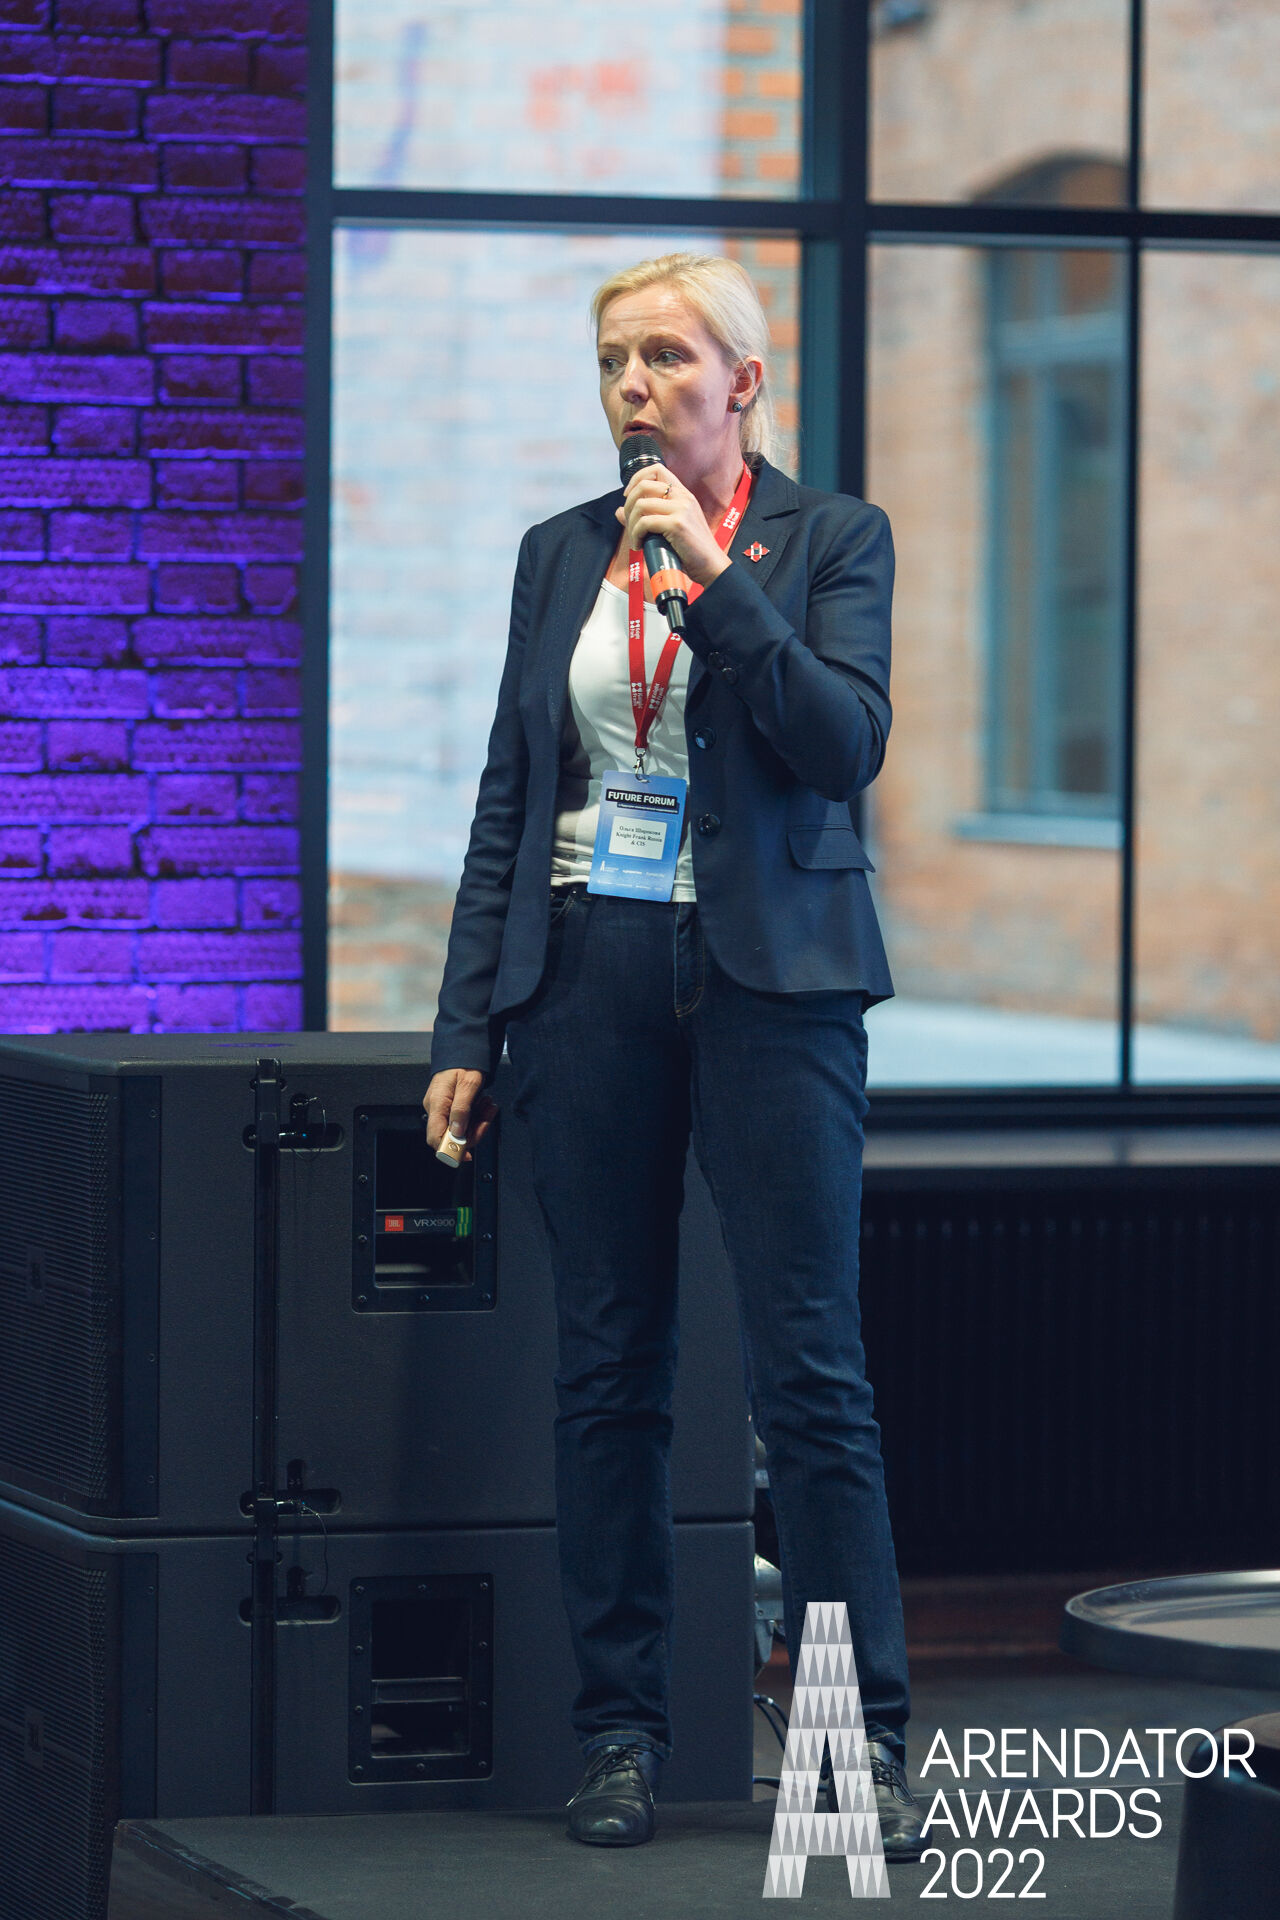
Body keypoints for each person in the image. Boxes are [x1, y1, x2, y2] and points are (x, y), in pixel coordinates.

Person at [422, 251, 924, 1858]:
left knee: (810, 1375)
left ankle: (856, 1747)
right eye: (612, 364)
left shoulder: (831, 538)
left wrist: (712, 577)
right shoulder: (558, 552)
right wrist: (467, 1022)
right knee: (609, 1370)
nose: (633, 389)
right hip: (591, 974)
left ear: (742, 384)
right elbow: (513, 794)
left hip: (774, 983)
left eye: (664, 359)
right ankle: (620, 1736)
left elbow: (841, 743)